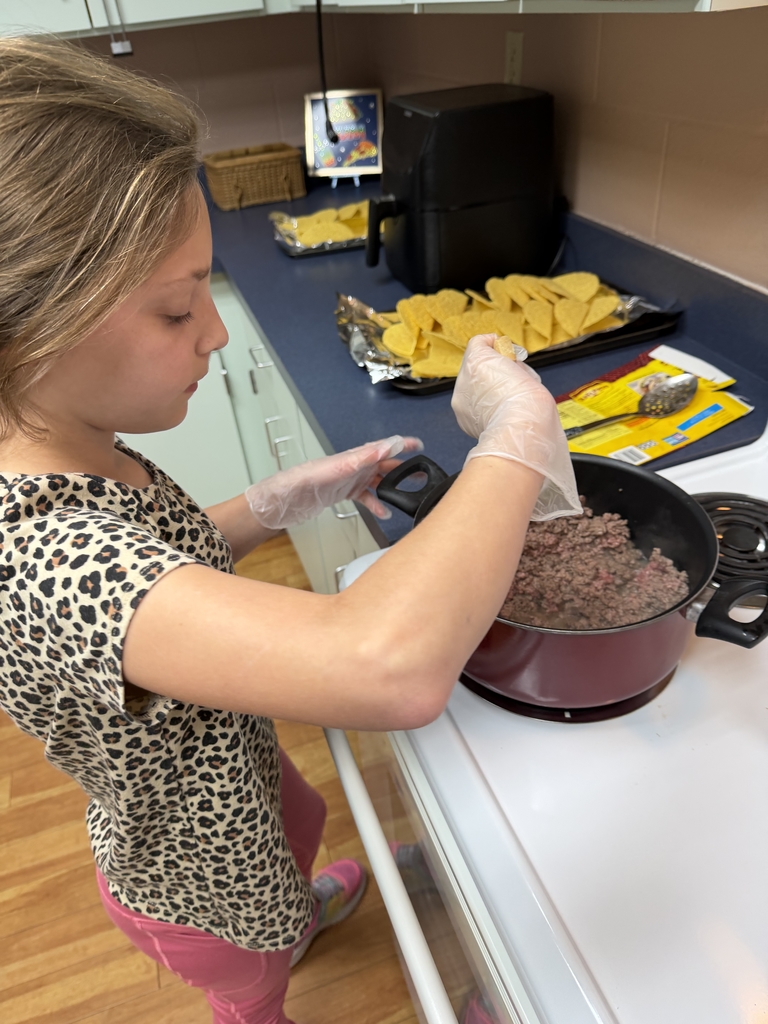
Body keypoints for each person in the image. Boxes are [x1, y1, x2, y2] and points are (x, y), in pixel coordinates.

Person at [0, 36, 579, 1024]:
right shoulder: (42, 555)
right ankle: (268, 967)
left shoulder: (63, 439)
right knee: (252, 983)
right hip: (202, 881)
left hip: (232, 782)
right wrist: (519, 437)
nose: (214, 334)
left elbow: (157, 564)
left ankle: (298, 906)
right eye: (180, 308)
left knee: (293, 835)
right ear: (30, 327)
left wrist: (281, 499)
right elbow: (387, 666)